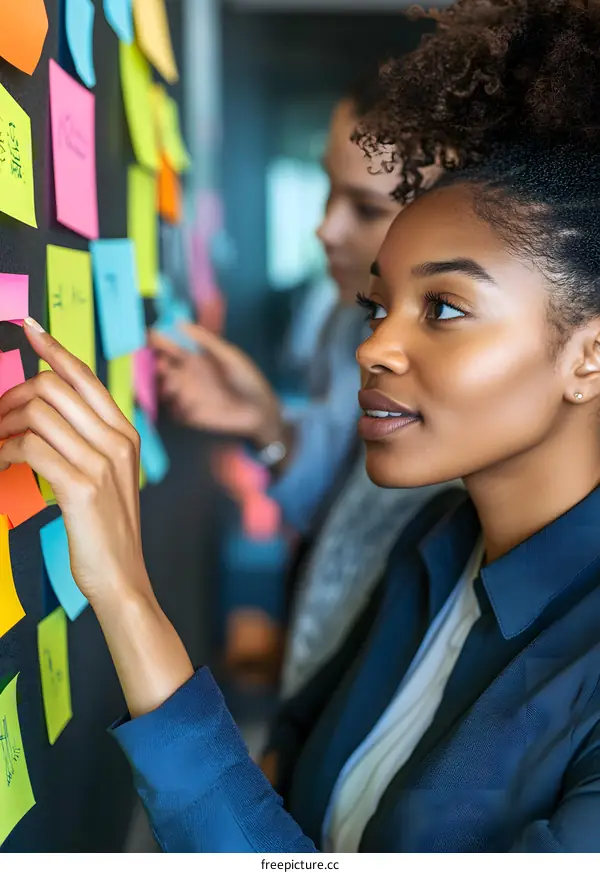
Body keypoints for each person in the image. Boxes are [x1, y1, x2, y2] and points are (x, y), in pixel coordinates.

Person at [8, 0, 600, 850]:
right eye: (376, 308)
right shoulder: (436, 544)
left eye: (443, 306)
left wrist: (129, 597)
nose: (375, 348)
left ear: (589, 354)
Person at [151, 76, 401, 536]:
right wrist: (266, 424)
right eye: (328, 186)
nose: (325, 229)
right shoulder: (345, 319)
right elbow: (333, 507)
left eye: (366, 209)